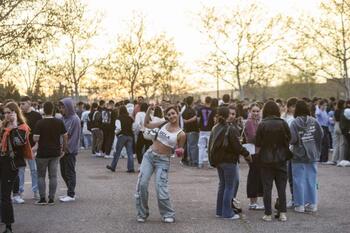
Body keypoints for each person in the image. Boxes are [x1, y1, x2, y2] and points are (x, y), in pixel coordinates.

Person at [135, 105, 186, 223]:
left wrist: (180, 151)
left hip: (163, 161)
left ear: (177, 114)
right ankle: (142, 214)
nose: (171, 116)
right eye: (169, 114)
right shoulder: (163, 123)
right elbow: (147, 124)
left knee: (160, 187)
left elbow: (179, 150)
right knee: (142, 184)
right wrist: (148, 111)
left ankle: (168, 214)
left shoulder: (181, 134)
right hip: (149, 156)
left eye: (173, 113)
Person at [208, 107, 252, 220]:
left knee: (222, 185)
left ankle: (219, 211)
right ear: (227, 115)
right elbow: (237, 147)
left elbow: (210, 145)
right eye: (230, 114)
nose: (232, 116)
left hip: (218, 161)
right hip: (229, 161)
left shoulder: (215, 127)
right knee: (229, 186)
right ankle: (227, 213)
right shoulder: (230, 129)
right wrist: (247, 154)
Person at [255, 101, 292, 222]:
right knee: (281, 187)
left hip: (266, 159)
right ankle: (282, 213)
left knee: (267, 187)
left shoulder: (262, 124)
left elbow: (258, 143)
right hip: (281, 158)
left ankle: (268, 214)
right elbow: (289, 139)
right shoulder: (283, 123)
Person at [0, 102, 32, 233]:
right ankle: (3, 218)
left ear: (15, 112)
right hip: (1, 160)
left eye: (9, 112)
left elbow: (19, 143)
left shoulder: (22, 127)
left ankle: (8, 225)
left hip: (10, 164)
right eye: (5, 112)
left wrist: (13, 127)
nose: (7, 115)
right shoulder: (2, 126)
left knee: (5, 195)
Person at [290, 100, 323, 213]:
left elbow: (292, 139)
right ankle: (312, 204)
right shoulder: (314, 121)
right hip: (312, 154)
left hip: (298, 154)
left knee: (298, 180)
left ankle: (300, 205)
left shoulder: (294, 123)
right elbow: (321, 134)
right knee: (311, 179)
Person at [33, 101, 68, 205]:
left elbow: (35, 139)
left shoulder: (39, 123)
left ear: (44, 110)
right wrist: (64, 149)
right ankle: (52, 198)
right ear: (53, 110)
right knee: (53, 176)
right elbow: (65, 135)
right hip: (55, 152)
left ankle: (42, 199)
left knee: (41, 176)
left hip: (42, 153)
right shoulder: (59, 122)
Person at [18, 96, 41, 200]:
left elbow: (41, 132)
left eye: (23, 104)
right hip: (21, 147)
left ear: (29, 103)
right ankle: (20, 191)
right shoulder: (19, 115)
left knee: (34, 170)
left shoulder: (37, 115)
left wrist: (37, 145)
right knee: (21, 170)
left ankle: (35, 191)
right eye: (20, 104)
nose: (21, 106)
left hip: (33, 147)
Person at [58, 98, 81, 202]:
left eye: (63, 107)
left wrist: (67, 149)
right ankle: (70, 191)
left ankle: (71, 194)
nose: (61, 109)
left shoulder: (75, 119)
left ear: (69, 107)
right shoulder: (63, 119)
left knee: (70, 172)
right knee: (63, 172)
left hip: (69, 151)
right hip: (62, 150)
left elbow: (74, 137)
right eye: (60, 107)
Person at [245, 103, 264, 210]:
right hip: (253, 152)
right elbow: (252, 137)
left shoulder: (259, 122)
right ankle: (252, 202)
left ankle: (255, 201)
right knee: (253, 176)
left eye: (257, 111)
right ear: (250, 111)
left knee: (257, 176)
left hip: (258, 152)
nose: (256, 113)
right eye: (254, 111)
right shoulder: (249, 122)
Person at [106, 106, 135, 172]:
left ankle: (113, 166)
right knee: (130, 153)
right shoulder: (130, 118)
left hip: (122, 136)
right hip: (130, 136)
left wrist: (116, 133)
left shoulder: (118, 118)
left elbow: (118, 128)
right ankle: (131, 168)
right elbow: (133, 128)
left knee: (117, 152)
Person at [282, 97, 298, 208]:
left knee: (294, 175)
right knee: (290, 175)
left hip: (293, 149)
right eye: (293, 106)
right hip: (286, 149)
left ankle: (295, 198)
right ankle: (294, 198)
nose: (294, 108)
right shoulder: (284, 118)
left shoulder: (295, 119)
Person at [197, 96, 215, 168]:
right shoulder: (213, 110)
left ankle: (200, 163)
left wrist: (199, 127)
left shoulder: (200, 109)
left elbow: (198, 120)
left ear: (205, 101)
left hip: (202, 130)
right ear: (210, 101)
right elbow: (214, 120)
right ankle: (210, 163)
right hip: (210, 130)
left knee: (201, 147)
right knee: (210, 147)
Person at [182, 96, 199, 167]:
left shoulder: (185, 110)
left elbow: (184, 120)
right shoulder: (191, 111)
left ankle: (190, 160)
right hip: (193, 130)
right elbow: (194, 119)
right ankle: (194, 161)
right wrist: (195, 118)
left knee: (189, 146)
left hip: (187, 130)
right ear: (192, 102)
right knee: (193, 146)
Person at [330, 100, 346, 164]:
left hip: (335, 126)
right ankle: (340, 159)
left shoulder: (336, 110)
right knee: (341, 144)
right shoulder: (343, 111)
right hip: (341, 126)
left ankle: (334, 159)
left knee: (335, 144)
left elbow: (333, 119)